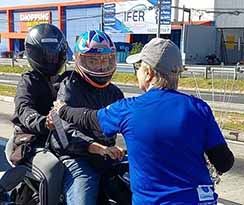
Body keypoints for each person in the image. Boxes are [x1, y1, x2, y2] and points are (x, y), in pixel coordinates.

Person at [53, 38, 234, 205]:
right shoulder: (199, 108)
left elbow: (89, 118)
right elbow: (224, 162)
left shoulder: (129, 109)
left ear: (148, 73)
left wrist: (62, 110)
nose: (137, 72)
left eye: (138, 67)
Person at [48, 30, 125, 205]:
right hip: (77, 158)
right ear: (79, 60)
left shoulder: (114, 92)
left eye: (106, 60)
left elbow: (129, 122)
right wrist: (96, 147)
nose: (101, 66)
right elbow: (64, 132)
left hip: (107, 155)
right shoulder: (69, 88)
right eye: (93, 60)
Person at [8, 23, 68, 205]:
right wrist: (42, 122)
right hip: (33, 141)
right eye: (47, 54)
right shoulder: (28, 81)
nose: (52, 59)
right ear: (35, 55)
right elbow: (23, 109)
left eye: (55, 53)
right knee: (52, 168)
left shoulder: (69, 79)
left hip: (65, 139)